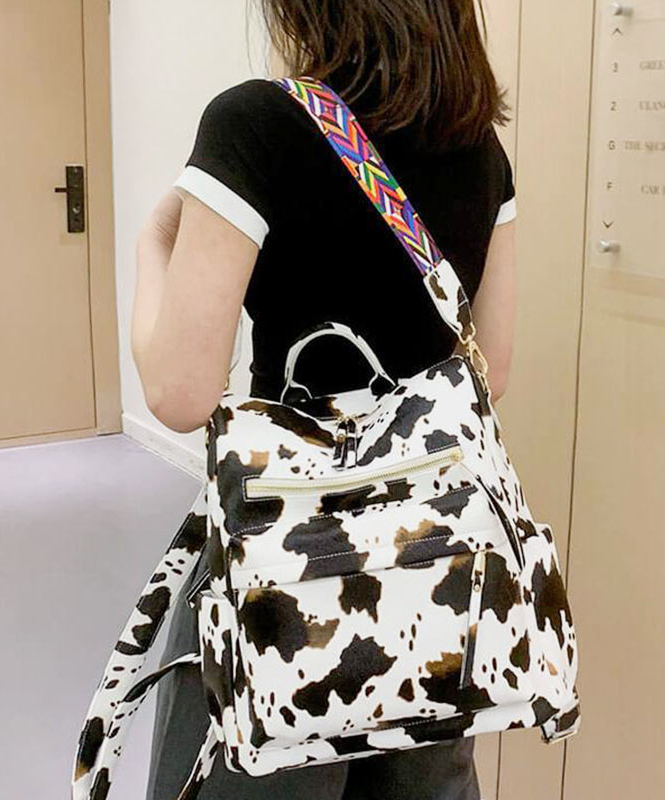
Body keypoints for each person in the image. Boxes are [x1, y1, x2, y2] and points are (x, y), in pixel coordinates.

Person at [131, 1, 518, 797]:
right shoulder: (482, 152)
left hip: (284, 562)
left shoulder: (255, 125)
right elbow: (492, 370)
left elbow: (178, 391)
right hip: (433, 570)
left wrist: (150, 249)